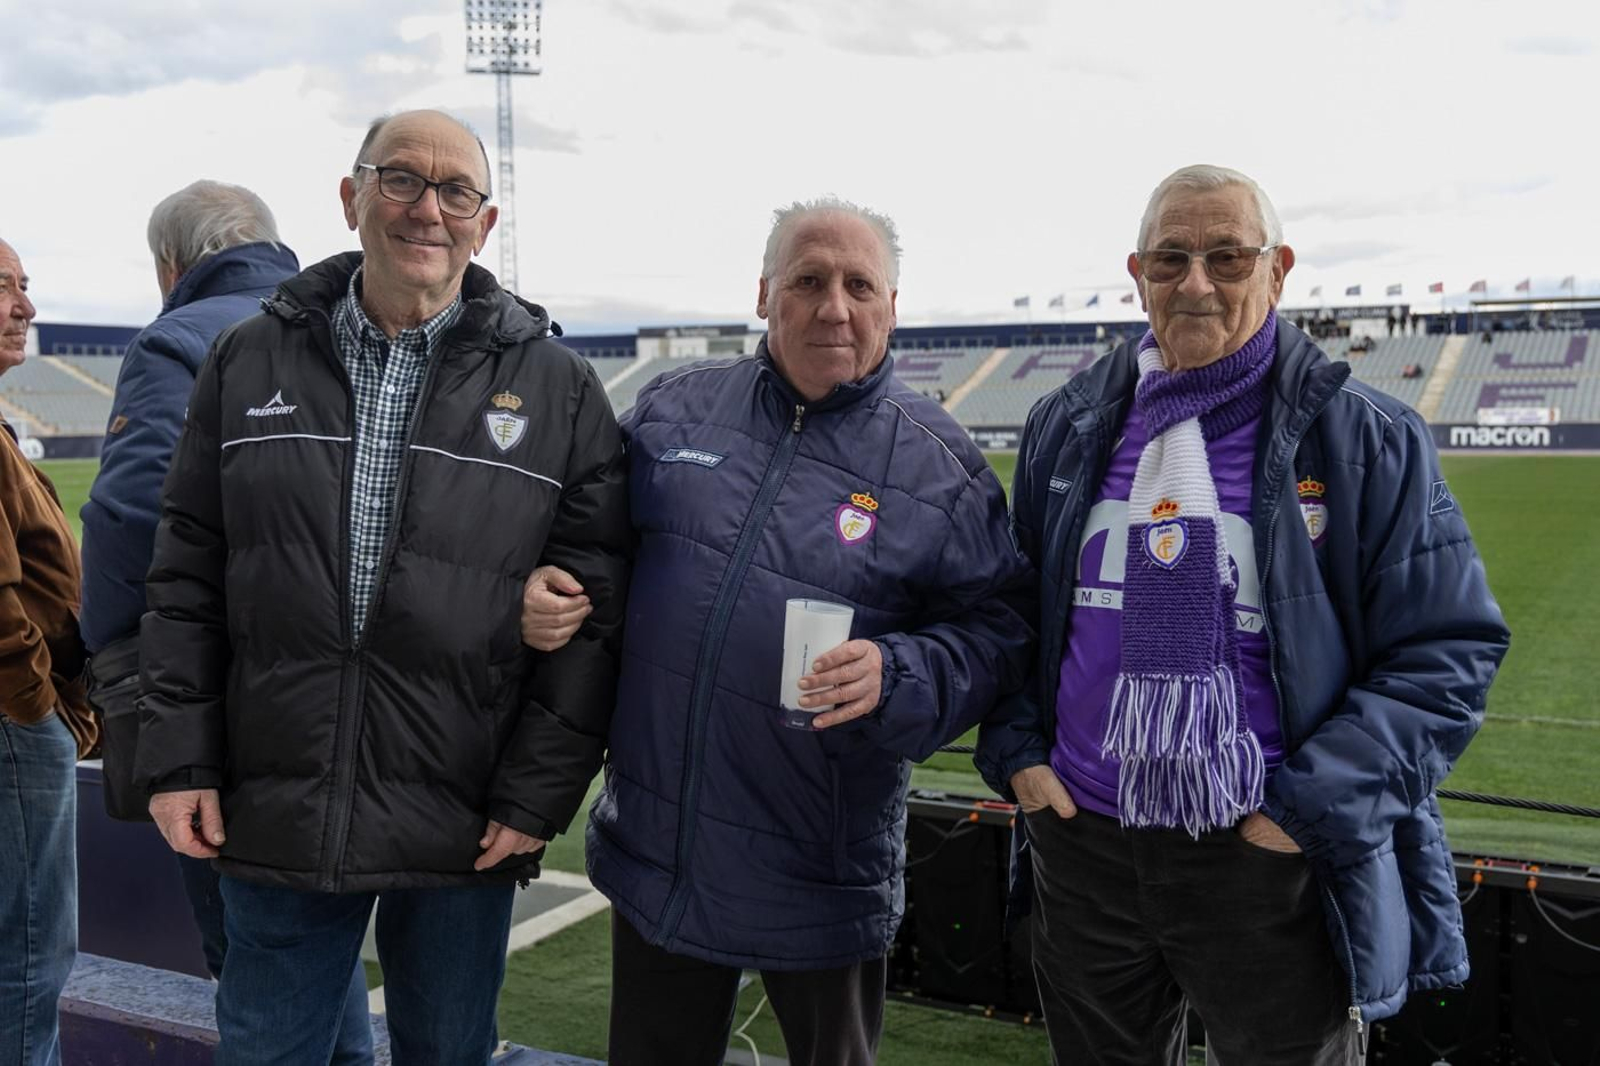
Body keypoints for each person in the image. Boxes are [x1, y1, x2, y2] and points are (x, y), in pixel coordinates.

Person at [975, 165, 1509, 1065]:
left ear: (1278, 268)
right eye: (1171, 257)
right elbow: (1008, 614)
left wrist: (1300, 815)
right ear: (1137, 271)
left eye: (1227, 257)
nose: (1195, 282)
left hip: (1269, 861)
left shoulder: (1365, 438)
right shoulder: (1064, 424)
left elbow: (1446, 654)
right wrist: (1022, 759)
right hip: (1086, 846)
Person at [135, 110, 630, 1065]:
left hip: (463, 810)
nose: (427, 210)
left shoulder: (559, 387)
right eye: (400, 179)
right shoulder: (247, 358)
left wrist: (534, 797)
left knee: (446, 1053)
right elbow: (187, 570)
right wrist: (181, 758)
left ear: (484, 226)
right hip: (277, 796)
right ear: (351, 196)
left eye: (456, 192)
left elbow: (594, 618)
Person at [525, 196, 1035, 1066]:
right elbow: (586, 546)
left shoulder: (941, 471)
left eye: (858, 284)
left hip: (822, 865)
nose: (833, 306)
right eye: (808, 280)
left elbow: (1000, 634)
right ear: (764, 294)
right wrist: (544, 586)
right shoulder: (672, 413)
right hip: (664, 847)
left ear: (892, 307)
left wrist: (901, 672)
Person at [76, 180, 373, 1059]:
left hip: (223, 701)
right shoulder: (349, 321)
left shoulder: (180, 339)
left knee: (255, 966)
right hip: (351, 695)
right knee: (317, 943)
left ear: (171, 266)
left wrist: (110, 652)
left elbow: (131, 517)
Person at [0, 238, 97, 1066]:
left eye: (24, 286)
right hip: (11, 724)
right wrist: (42, 713)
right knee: (30, 956)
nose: (25, 305)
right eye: (1, 288)